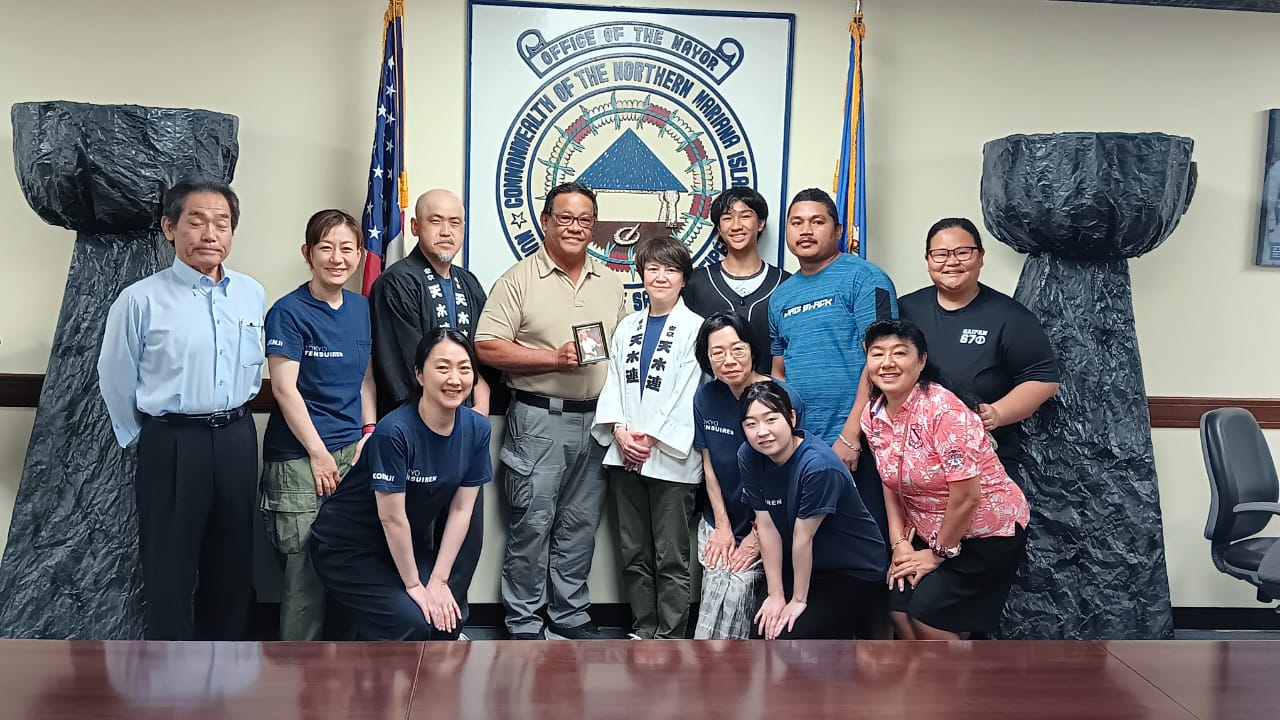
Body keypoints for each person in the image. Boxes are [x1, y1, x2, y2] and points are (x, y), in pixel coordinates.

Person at [98, 178, 265, 640]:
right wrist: (147, 436)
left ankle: (226, 668)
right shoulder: (140, 299)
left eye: (222, 223)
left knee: (232, 565)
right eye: (197, 221)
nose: (211, 233)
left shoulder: (251, 293)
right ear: (170, 228)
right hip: (171, 442)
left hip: (236, 437)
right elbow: (115, 375)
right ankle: (171, 675)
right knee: (169, 569)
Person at [475, 181, 628, 640]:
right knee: (533, 522)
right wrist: (552, 359)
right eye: (565, 218)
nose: (575, 227)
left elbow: (624, 351)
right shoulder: (518, 279)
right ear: (546, 221)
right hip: (539, 419)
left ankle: (570, 614)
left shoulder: (611, 281)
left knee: (580, 525)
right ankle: (524, 621)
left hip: (597, 422)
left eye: (585, 220)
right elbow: (486, 346)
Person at [309, 330, 491, 641]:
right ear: (419, 374)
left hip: (402, 547)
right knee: (415, 622)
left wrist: (439, 581)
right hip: (348, 549)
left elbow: (462, 509)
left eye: (464, 368)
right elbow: (392, 519)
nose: (454, 379)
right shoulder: (394, 432)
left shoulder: (477, 429)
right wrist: (414, 586)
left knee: (448, 622)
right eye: (442, 367)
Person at [860, 319, 1030, 640]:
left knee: (926, 618)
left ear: (921, 361)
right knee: (897, 610)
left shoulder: (944, 412)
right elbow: (889, 481)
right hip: (930, 532)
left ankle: (964, 673)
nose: (887, 363)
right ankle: (932, 673)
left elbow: (967, 497)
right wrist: (899, 545)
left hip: (984, 533)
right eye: (877, 354)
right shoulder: (873, 415)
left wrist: (937, 554)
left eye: (900, 353)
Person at [369, 189, 491, 628]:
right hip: (420, 433)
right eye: (435, 221)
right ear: (415, 226)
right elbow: (406, 367)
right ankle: (422, 624)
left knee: (464, 530)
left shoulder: (469, 283)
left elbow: (479, 358)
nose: (446, 231)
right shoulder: (396, 282)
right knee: (419, 534)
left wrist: (481, 395)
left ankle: (451, 622)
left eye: (455, 222)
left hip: (464, 434)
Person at [259, 209, 376, 640]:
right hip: (300, 458)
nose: (337, 258)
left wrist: (369, 432)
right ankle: (296, 672)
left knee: (352, 564)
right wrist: (318, 453)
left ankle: (343, 670)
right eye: (326, 248)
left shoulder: (361, 308)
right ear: (308, 253)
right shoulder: (288, 312)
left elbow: (365, 378)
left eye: (347, 248)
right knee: (304, 573)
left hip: (351, 454)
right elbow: (284, 389)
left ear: (360, 255)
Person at [592, 236, 704, 640]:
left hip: (671, 459)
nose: (660, 277)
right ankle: (643, 627)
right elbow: (613, 384)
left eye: (670, 269)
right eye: (653, 268)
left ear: (683, 278)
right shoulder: (628, 327)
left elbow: (688, 392)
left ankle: (670, 636)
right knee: (633, 550)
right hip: (626, 456)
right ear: (641, 275)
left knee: (671, 554)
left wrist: (651, 439)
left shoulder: (696, 329)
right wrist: (620, 432)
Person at [769, 187, 896, 540]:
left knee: (866, 545)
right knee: (811, 546)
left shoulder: (865, 278)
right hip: (804, 446)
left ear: (838, 230)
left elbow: (883, 363)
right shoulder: (781, 296)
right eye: (796, 223)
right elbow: (779, 371)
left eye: (817, 221)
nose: (806, 230)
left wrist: (851, 435)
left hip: (860, 441)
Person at [896, 218, 1059, 478]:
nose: (951, 262)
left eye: (963, 252)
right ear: (928, 260)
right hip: (915, 453)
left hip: (985, 455)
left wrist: (997, 413)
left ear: (981, 257)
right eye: (940, 254)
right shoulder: (904, 310)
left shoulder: (1010, 316)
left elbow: (1043, 380)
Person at [738, 381, 887, 640]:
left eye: (771, 419)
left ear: (791, 418)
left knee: (789, 636)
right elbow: (766, 526)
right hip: (801, 562)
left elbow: (803, 537)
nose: (762, 432)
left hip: (851, 569)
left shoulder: (818, 466)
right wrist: (775, 594)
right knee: (761, 631)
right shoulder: (748, 456)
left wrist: (798, 600)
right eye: (751, 424)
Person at [691, 312, 805, 639]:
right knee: (716, 581)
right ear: (706, 358)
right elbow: (709, 465)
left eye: (737, 349)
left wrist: (757, 537)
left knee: (738, 589)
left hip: (769, 522)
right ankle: (706, 660)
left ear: (752, 350)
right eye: (717, 352)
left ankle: (734, 664)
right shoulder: (705, 397)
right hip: (723, 519)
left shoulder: (781, 397)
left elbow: (789, 477)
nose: (728, 360)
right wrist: (722, 527)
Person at [682, 187, 788, 376]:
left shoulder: (785, 284)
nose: (736, 225)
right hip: (709, 393)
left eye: (745, 216)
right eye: (727, 218)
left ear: (761, 223)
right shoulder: (696, 283)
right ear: (719, 228)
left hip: (768, 393)